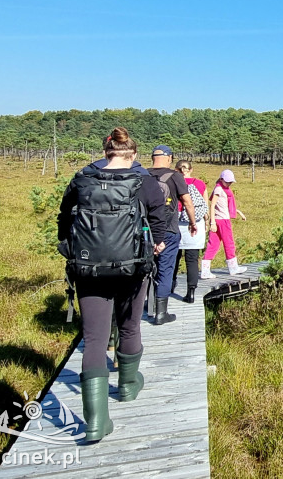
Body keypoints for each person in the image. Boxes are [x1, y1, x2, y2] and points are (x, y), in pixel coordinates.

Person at [57, 127, 167, 442]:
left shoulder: (82, 179)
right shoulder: (143, 180)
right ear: (132, 155)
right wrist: (156, 243)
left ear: (107, 152)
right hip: (132, 268)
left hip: (88, 268)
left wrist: (70, 250)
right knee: (130, 326)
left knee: (94, 339)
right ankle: (128, 386)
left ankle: (95, 422)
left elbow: (65, 219)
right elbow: (160, 216)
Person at [148, 145, 197, 325]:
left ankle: (146, 305)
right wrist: (192, 222)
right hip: (168, 229)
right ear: (168, 158)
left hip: (145, 230)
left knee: (145, 268)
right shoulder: (175, 176)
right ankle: (161, 313)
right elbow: (187, 202)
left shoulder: (143, 175)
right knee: (165, 269)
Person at [173, 160, 209, 302]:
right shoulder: (200, 184)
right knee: (192, 260)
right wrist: (207, 222)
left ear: (176, 170)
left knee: (173, 259)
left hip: (176, 223)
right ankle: (191, 292)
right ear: (191, 170)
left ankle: (168, 288)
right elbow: (205, 206)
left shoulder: (173, 182)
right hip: (195, 224)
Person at [204, 169, 248, 275]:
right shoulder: (219, 189)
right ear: (221, 179)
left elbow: (223, 206)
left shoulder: (222, 189)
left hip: (220, 219)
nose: (229, 183)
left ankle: (205, 271)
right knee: (229, 243)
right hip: (222, 221)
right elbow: (212, 205)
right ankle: (233, 268)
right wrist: (212, 223)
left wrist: (239, 212)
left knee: (213, 244)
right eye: (227, 181)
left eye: (230, 182)